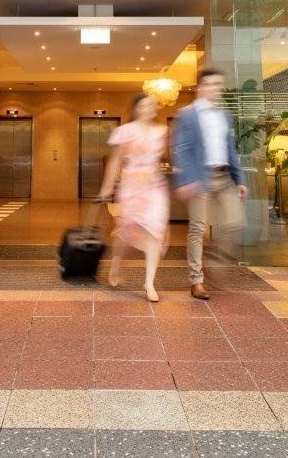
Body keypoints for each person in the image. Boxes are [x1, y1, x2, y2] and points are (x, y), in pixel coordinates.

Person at [172, 68, 246, 301]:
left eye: (219, 84)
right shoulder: (187, 114)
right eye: (211, 84)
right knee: (197, 228)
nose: (216, 88)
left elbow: (230, 150)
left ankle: (214, 261)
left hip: (224, 177)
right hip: (199, 177)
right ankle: (196, 280)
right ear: (201, 87)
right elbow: (181, 149)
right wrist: (186, 179)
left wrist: (240, 180)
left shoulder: (225, 115)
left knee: (235, 223)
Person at [97, 92, 169, 303]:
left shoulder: (162, 131)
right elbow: (115, 161)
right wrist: (107, 187)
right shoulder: (124, 131)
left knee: (156, 232)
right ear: (136, 108)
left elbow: (158, 159)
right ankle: (117, 263)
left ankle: (149, 283)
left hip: (155, 188)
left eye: (152, 105)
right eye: (145, 105)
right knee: (126, 230)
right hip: (131, 187)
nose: (149, 109)